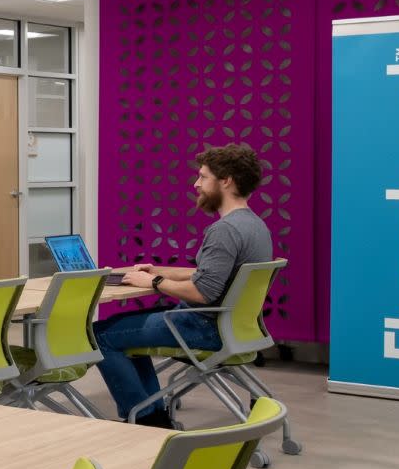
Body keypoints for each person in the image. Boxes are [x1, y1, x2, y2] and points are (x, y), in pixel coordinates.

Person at [95, 143, 275, 427]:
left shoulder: (224, 230)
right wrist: (160, 270)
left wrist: (154, 282)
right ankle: (149, 410)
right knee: (122, 329)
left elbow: (203, 291)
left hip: (203, 327)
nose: (196, 184)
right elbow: (212, 275)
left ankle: (149, 419)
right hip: (233, 326)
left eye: (203, 177)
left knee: (99, 334)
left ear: (226, 181)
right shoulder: (255, 225)